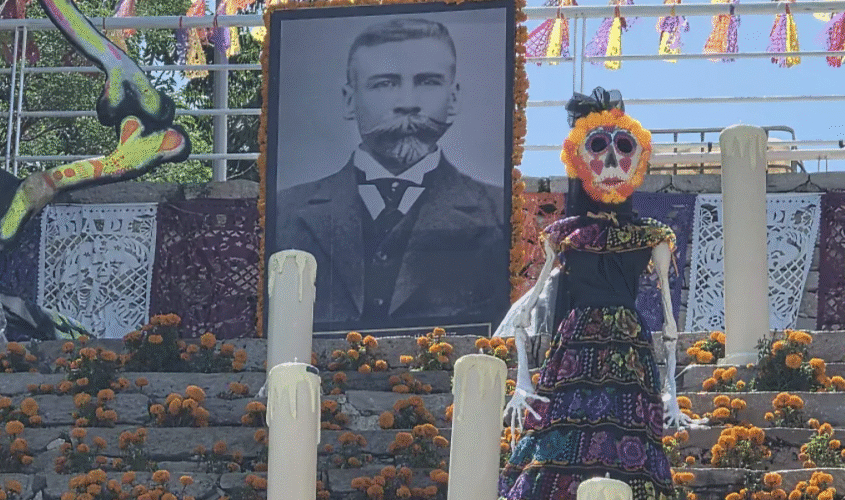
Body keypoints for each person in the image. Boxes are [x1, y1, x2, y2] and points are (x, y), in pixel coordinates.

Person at [496, 88, 677, 500]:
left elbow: (669, 325)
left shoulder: (650, 237)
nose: (611, 162)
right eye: (598, 148)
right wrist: (523, 380)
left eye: (622, 148)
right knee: (563, 429)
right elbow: (524, 314)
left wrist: (671, 391)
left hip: (626, 345)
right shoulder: (565, 236)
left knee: (627, 433)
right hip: (578, 342)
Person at [275, 17, 508, 330]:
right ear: (349, 100)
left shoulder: (499, 213)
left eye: (428, 82)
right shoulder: (286, 212)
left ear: (453, 99)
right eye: (384, 84)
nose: (408, 104)